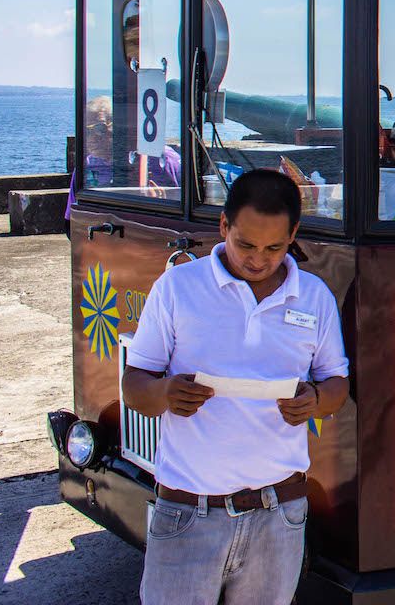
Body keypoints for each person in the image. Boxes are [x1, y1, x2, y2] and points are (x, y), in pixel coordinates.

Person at [123, 168, 349, 605]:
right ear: (223, 225)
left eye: (275, 247)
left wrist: (316, 401)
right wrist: (165, 393)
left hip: (279, 515)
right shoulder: (176, 288)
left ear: (293, 234)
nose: (258, 259)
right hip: (187, 513)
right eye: (245, 244)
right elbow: (135, 385)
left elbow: (337, 383)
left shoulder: (314, 296)